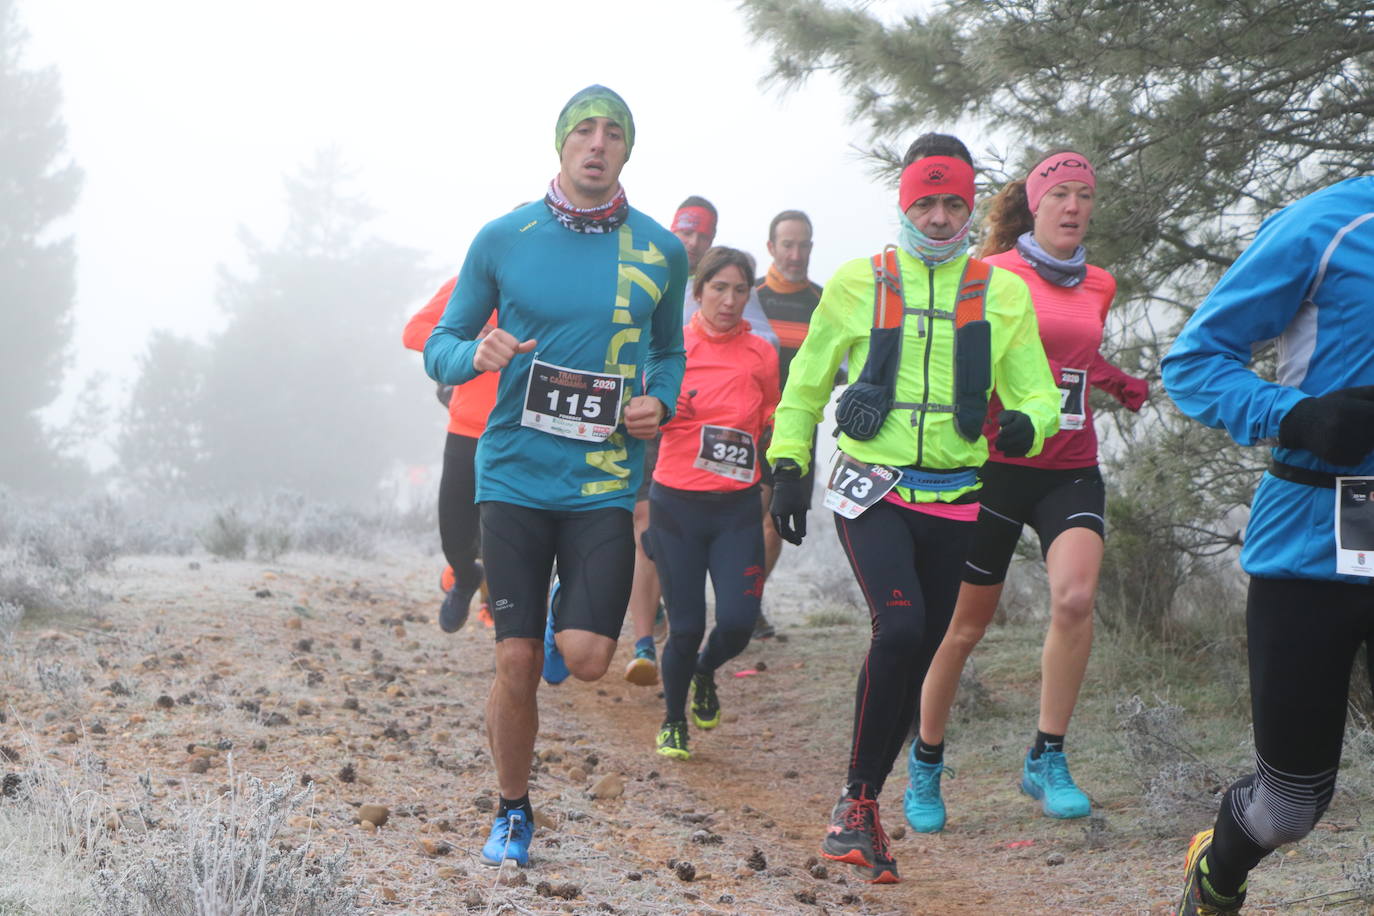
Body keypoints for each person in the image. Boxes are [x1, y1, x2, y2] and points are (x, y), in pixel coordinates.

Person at [766, 133, 1060, 884]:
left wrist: (1031, 422)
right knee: (896, 626)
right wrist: (788, 463)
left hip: (958, 495)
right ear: (904, 204)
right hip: (874, 487)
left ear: (969, 207)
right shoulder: (857, 283)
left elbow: (1035, 391)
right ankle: (855, 806)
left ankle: (860, 805)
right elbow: (805, 383)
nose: (937, 218)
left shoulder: (1002, 292)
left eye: (951, 203)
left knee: (919, 652)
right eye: (924, 203)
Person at [424, 84, 687, 869]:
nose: (597, 144)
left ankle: (544, 630)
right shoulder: (506, 237)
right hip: (510, 476)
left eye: (612, 133)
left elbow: (668, 352)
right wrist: (475, 355)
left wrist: (659, 403)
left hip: (602, 481)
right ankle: (511, 810)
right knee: (512, 663)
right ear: (562, 144)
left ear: (627, 151)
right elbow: (441, 340)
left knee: (588, 659)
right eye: (584, 131)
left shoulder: (659, 251)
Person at [907, 151, 1149, 835]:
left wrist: (1120, 383)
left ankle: (1047, 756)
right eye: (1061, 195)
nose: (1074, 206)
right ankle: (926, 761)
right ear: (1034, 206)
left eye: (1084, 195)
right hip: (994, 467)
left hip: (1071, 462)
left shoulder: (1099, 282)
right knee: (965, 625)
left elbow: (1075, 351)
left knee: (1074, 598)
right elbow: (961, 356)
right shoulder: (990, 276)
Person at [1161, 177, 1374, 914]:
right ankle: (1216, 873)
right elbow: (1192, 362)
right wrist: (1296, 416)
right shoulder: (1325, 227)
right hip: (1310, 543)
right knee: (1288, 807)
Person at [621, 198, 778, 684]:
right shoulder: (646, 270)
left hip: (718, 447)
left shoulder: (732, 283)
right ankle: (643, 639)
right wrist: (655, 397)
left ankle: (692, 617)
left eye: (700, 235)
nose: (691, 242)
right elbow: (623, 345)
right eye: (684, 233)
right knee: (643, 528)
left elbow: (765, 351)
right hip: (654, 418)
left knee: (679, 542)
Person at [648, 246, 780, 760]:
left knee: (737, 623)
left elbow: (771, 412)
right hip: (676, 503)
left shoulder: (761, 352)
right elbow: (639, 411)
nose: (728, 300)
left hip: (735, 507)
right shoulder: (670, 348)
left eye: (739, 290)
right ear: (698, 291)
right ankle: (673, 719)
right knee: (683, 626)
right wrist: (663, 408)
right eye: (718, 288)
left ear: (749, 295)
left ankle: (705, 671)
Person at [403, 277, 499, 632]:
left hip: (522, 434)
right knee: (455, 537)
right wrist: (468, 345)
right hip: (467, 428)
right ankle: (464, 577)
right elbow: (415, 331)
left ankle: (513, 634)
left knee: (503, 540)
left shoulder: (553, 293)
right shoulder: (472, 283)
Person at [753, 209, 827, 639]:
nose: (796, 254)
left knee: (778, 520)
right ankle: (730, 601)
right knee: (743, 517)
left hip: (800, 429)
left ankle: (751, 606)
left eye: (803, 245)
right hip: (747, 424)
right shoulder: (752, 297)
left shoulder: (824, 301)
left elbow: (841, 363)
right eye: (787, 244)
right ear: (771, 247)